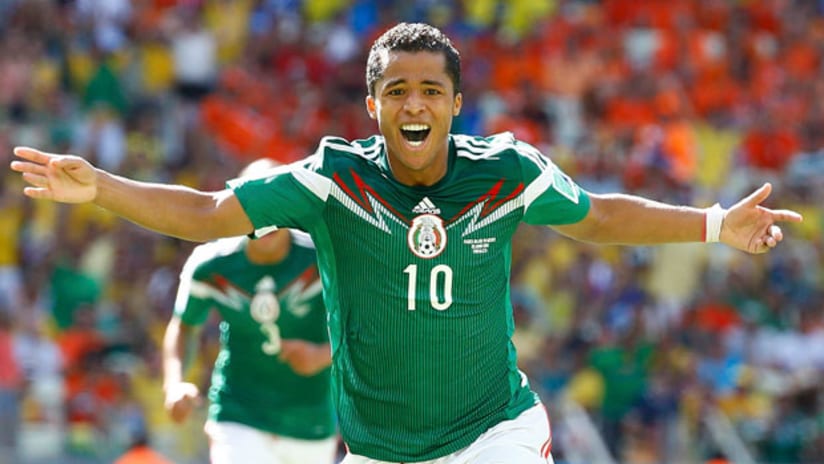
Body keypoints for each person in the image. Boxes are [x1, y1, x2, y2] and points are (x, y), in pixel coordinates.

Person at [11, 22, 802, 464]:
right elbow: (212, 211)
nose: (414, 102)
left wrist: (711, 223)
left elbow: (597, 217)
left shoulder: (507, 171)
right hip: (380, 449)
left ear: (456, 101)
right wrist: (105, 188)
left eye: (430, 89)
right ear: (373, 103)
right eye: (397, 90)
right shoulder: (330, 180)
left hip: (493, 431)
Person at [162, 159, 337, 464]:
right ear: (237, 207)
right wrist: (174, 383)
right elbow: (183, 326)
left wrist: (322, 355)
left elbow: (367, 321)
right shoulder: (210, 265)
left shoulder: (325, 256)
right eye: (255, 205)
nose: (265, 216)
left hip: (311, 421)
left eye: (276, 204)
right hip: (238, 415)